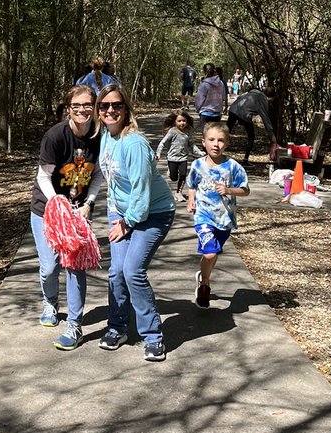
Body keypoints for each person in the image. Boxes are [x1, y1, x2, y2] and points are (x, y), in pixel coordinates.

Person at [96, 83, 175, 362]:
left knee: (132, 271)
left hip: (153, 213)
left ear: (126, 109)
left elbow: (142, 194)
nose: (110, 110)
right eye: (104, 106)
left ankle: (152, 336)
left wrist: (126, 223)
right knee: (116, 272)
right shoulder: (106, 136)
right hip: (122, 213)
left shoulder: (134, 143)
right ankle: (118, 327)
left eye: (116, 105)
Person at [30, 85, 103, 351]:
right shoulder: (55, 136)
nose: (83, 110)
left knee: (75, 267)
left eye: (88, 105)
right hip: (47, 209)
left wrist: (89, 204)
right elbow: (43, 176)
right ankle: (50, 302)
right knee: (50, 267)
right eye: (77, 106)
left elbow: (97, 175)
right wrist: (58, 203)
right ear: (68, 109)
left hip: (79, 210)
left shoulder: (99, 135)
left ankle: (75, 325)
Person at [187, 121, 250, 309]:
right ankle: (205, 285)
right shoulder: (197, 165)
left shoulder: (233, 167)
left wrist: (229, 190)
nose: (216, 144)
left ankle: (203, 278)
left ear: (227, 143)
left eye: (221, 140)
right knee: (210, 253)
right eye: (211, 140)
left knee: (212, 255)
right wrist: (191, 200)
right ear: (203, 142)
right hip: (204, 216)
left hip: (224, 219)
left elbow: (245, 190)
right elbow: (192, 185)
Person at [156, 110, 203, 201]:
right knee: (174, 178)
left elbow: (191, 145)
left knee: (182, 175)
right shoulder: (172, 131)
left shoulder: (187, 133)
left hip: (183, 158)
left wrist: (199, 152)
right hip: (172, 158)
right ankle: (171, 171)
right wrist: (158, 153)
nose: (182, 123)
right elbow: (163, 143)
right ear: (175, 122)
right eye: (179, 121)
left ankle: (178, 193)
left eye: (184, 121)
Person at [227, 86, 276, 167]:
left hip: (233, 110)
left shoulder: (251, 93)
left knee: (225, 132)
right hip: (244, 114)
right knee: (251, 136)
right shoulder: (262, 99)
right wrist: (272, 138)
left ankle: (217, 154)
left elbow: (240, 100)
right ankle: (245, 159)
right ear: (270, 97)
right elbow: (265, 119)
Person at [194, 62, 226, 130]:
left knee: (206, 135)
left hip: (205, 113)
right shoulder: (221, 83)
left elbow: (199, 99)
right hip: (217, 113)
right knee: (214, 134)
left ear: (205, 71)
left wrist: (198, 109)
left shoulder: (204, 84)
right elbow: (223, 97)